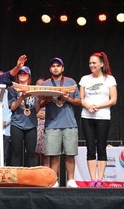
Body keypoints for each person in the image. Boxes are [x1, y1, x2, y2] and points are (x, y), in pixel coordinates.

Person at [41, 57, 81, 188]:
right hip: (52, 124)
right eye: (53, 66)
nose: (55, 68)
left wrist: (67, 98)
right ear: (50, 69)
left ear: (62, 68)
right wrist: (47, 100)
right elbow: (39, 103)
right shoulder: (45, 84)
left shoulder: (70, 82)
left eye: (58, 66)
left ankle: (70, 180)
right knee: (53, 154)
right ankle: (54, 180)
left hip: (69, 123)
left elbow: (78, 101)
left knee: (70, 153)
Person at [79, 52, 117, 188]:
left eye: (94, 63)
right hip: (87, 116)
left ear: (101, 64)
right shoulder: (84, 79)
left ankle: (100, 179)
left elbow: (113, 100)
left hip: (103, 117)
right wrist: (88, 106)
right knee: (90, 148)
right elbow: (81, 98)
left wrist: (97, 106)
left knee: (101, 147)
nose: (91, 65)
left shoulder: (110, 79)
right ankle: (92, 179)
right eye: (90, 63)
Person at [8, 66, 41, 167]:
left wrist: (39, 99)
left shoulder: (34, 89)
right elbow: (12, 107)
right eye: (20, 73)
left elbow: (36, 110)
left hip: (31, 124)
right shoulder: (12, 89)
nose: (22, 75)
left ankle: (31, 179)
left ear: (29, 76)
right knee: (16, 152)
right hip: (17, 123)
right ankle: (16, 179)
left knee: (31, 153)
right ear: (17, 75)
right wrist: (22, 96)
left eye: (24, 73)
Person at [0, 71, 12, 165]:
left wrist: (5, 121)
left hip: (6, 128)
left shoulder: (9, 93)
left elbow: (12, 110)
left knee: (4, 153)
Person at [35, 78, 49, 167]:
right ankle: (34, 175)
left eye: (42, 84)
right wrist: (36, 115)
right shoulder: (32, 97)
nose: (40, 85)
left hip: (47, 127)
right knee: (34, 153)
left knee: (46, 154)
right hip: (35, 127)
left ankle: (47, 176)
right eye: (38, 83)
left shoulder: (49, 98)